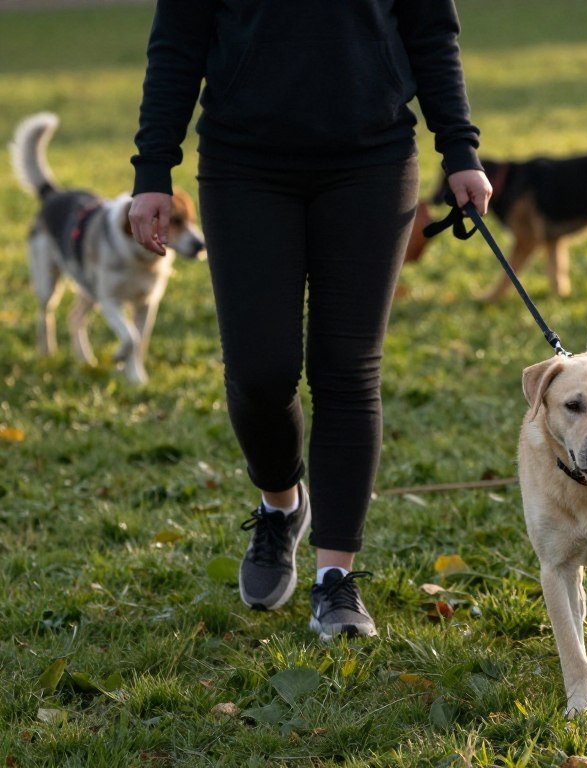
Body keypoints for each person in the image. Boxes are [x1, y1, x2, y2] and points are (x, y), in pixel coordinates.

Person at [129, 0, 492, 639]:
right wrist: (153, 168)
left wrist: (459, 148)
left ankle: (335, 580)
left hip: (371, 160)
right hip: (244, 164)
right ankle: (280, 504)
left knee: (348, 368)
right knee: (260, 370)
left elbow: (431, 30)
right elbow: (177, 42)